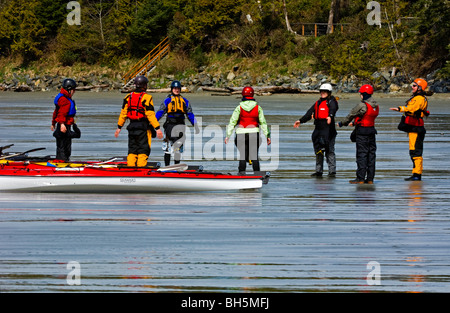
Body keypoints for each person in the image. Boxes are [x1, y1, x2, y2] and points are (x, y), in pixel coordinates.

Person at [114, 75, 163, 167]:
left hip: (131, 127)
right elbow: (150, 114)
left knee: (132, 150)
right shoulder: (147, 98)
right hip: (143, 128)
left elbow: (123, 113)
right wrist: (157, 128)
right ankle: (140, 171)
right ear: (144, 86)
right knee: (143, 150)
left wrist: (119, 127)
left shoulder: (128, 97)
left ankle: (130, 168)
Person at [293, 83, 339, 177]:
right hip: (318, 129)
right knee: (318, 150)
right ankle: (319, 171)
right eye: (321, 91)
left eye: (325, 92)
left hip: (328, 129)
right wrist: (300, 121)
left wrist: (330, 116)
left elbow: (333, 109)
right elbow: (309, 113)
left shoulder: (332, 101)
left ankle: (332, 171)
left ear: (329, 92)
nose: (322, 93)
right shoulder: (317, 103)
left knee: (329, 150)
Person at [337, 84, 379, 184]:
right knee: (371, 156)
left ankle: (360, 178)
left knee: (362, 155)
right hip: (371, 131)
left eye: (361, 93)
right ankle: (370, 179)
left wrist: (342, 123)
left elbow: (351, 114)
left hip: (362, 133)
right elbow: (365, 116)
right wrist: (355, 122)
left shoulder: (362, 105)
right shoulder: (375, 105)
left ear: (363, 94)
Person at [390, 78, 430, 181]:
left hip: (417, 128)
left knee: (416, 152)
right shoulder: (417, 97)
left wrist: (400, 108)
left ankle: (417, 174)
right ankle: (416, 173)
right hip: (414, 128)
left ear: (420, 88)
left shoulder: (419, 99)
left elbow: (412, 108)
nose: (412, 87)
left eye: (414, 85)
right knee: (413, 151)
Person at [225, 86, 271, 174]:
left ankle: (241, 175)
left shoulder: (239, 108)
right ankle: (257, 176)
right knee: (254, 156)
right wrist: (267, 136)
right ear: (252, 94)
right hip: (254, 133)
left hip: (241, 134)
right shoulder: (258, 108)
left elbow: (232, 122)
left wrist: (228, 135)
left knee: (242, 155)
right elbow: (263, 123)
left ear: (243, 95)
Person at [156, 80, 199, 166]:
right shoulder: (167, 101)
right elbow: (160, 112)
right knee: (167, 148)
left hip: (180, 127)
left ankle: (176, 166)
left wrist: (195, 125)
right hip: (169, 126)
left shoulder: (185, 101)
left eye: (178, 88)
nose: (177, 90)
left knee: (177, 148)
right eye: (175, 88)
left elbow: (190, 114)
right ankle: (167, 166)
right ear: (172, 89)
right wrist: (153, 122)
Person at [51, 78, 81, 161]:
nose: (74, 91)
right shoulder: (64, 100)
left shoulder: (65, 98)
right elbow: (61, 113)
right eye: (73, 90)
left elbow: (56, 112)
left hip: (65, 125)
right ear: (69, 89)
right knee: (63, 148)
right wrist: (62, 124)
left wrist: (53, 123)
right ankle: (62, 162)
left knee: (66, 147)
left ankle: (64, 160)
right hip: (63, 126)